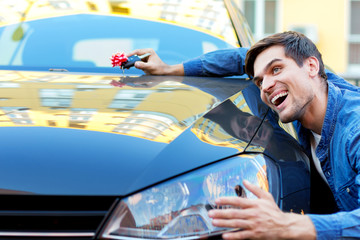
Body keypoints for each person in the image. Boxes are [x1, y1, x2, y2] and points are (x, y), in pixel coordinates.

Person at [127, 31, 360, 239]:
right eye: (259, 82)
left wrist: (288, 225)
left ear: (311, 66)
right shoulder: (310, 91)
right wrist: (170, 69)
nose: (266, 86)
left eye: (276, 69)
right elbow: (241, 57)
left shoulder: (354, 129)